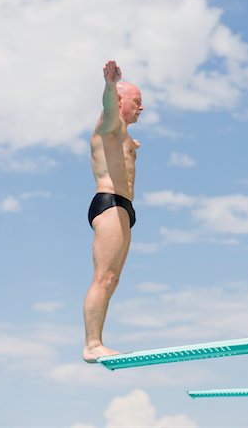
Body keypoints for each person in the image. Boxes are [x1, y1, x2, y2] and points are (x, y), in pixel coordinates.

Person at [83, 60, 144, 363]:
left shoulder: (122, 134)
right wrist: (110, 85)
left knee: (112, 279)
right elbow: (109, 108)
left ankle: (96, 342)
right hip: (109, 204)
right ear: (121, 101)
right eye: (137, 101)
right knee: (103, 278)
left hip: (123, 208)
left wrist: (131, 146)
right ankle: (92, 344)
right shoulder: (109, 122)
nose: (141, 108)